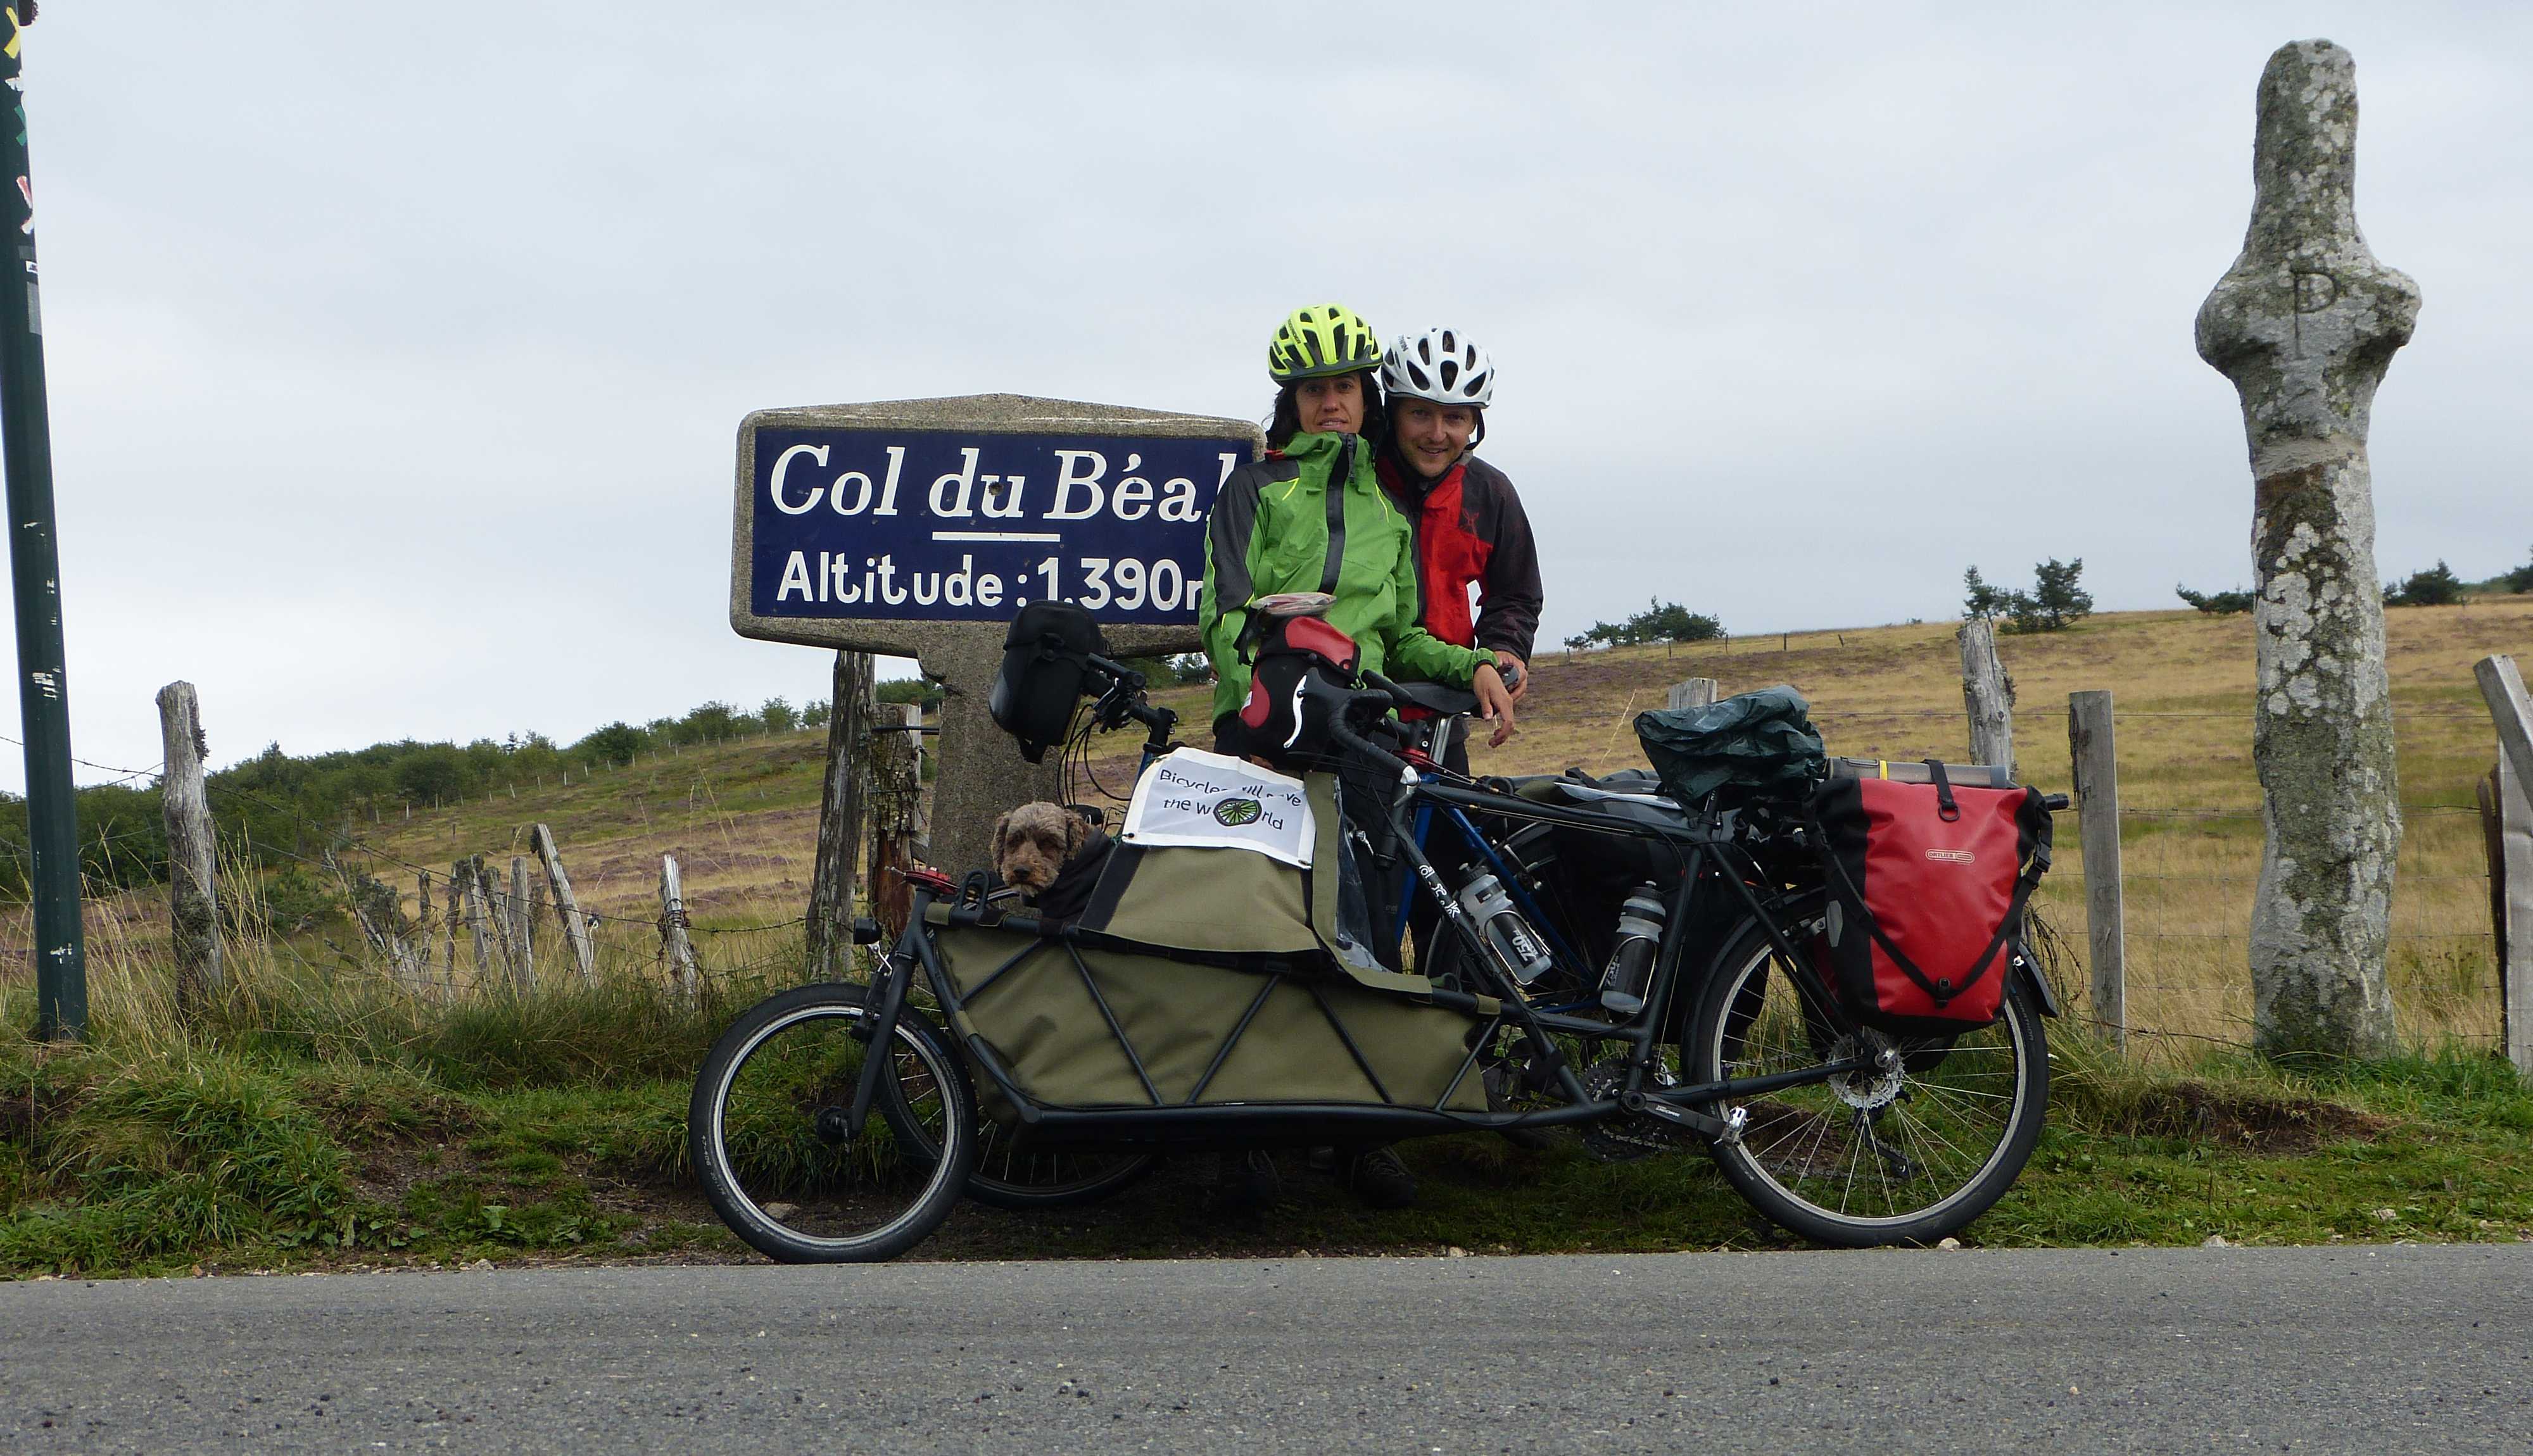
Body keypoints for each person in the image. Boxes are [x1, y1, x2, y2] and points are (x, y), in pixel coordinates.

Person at [1196, 303, 1514, 1211]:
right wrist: (1267, 684)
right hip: (1263, 741)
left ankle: (1358, 1139)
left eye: (1343, 387)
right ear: (1289, 401)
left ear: (1362, 394)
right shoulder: (1254, 490)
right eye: (1312, 390)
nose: (1330, 403)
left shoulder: (1383, 505)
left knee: (1367, 937)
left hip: (1365, 742)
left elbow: (1407, 638)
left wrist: (1477, 665)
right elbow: (1220, 616)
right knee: (1250, 935)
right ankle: (1237, 1144)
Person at [1373, 326, 1544, 964]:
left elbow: (1515, 594)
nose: (1436, 433)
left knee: (1448, 900)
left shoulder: (1489, 492)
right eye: (1420, 412)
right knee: (1368, 895)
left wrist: (1504, 654)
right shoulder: (1361, 482)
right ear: (1391, 410)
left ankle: (1454, 1047)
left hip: (1443, 723)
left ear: (1475, 422)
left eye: (1455, 417)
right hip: (1361, 715)